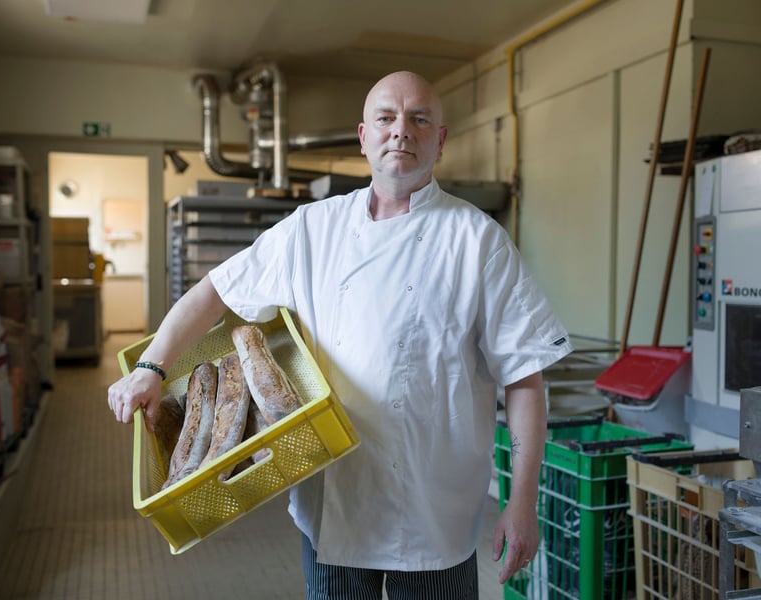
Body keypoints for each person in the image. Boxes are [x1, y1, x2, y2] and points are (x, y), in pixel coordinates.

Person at [108, 70, 572, 599]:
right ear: (363, 136)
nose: (401, 131)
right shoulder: (311, 229)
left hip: (434, 515)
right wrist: (151, 366)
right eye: (386, 118)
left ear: (440, 141)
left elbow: (525, 378)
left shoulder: (477, 240)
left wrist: (523, 501)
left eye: (420, 119)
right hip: (331, 509)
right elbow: (214, 291)